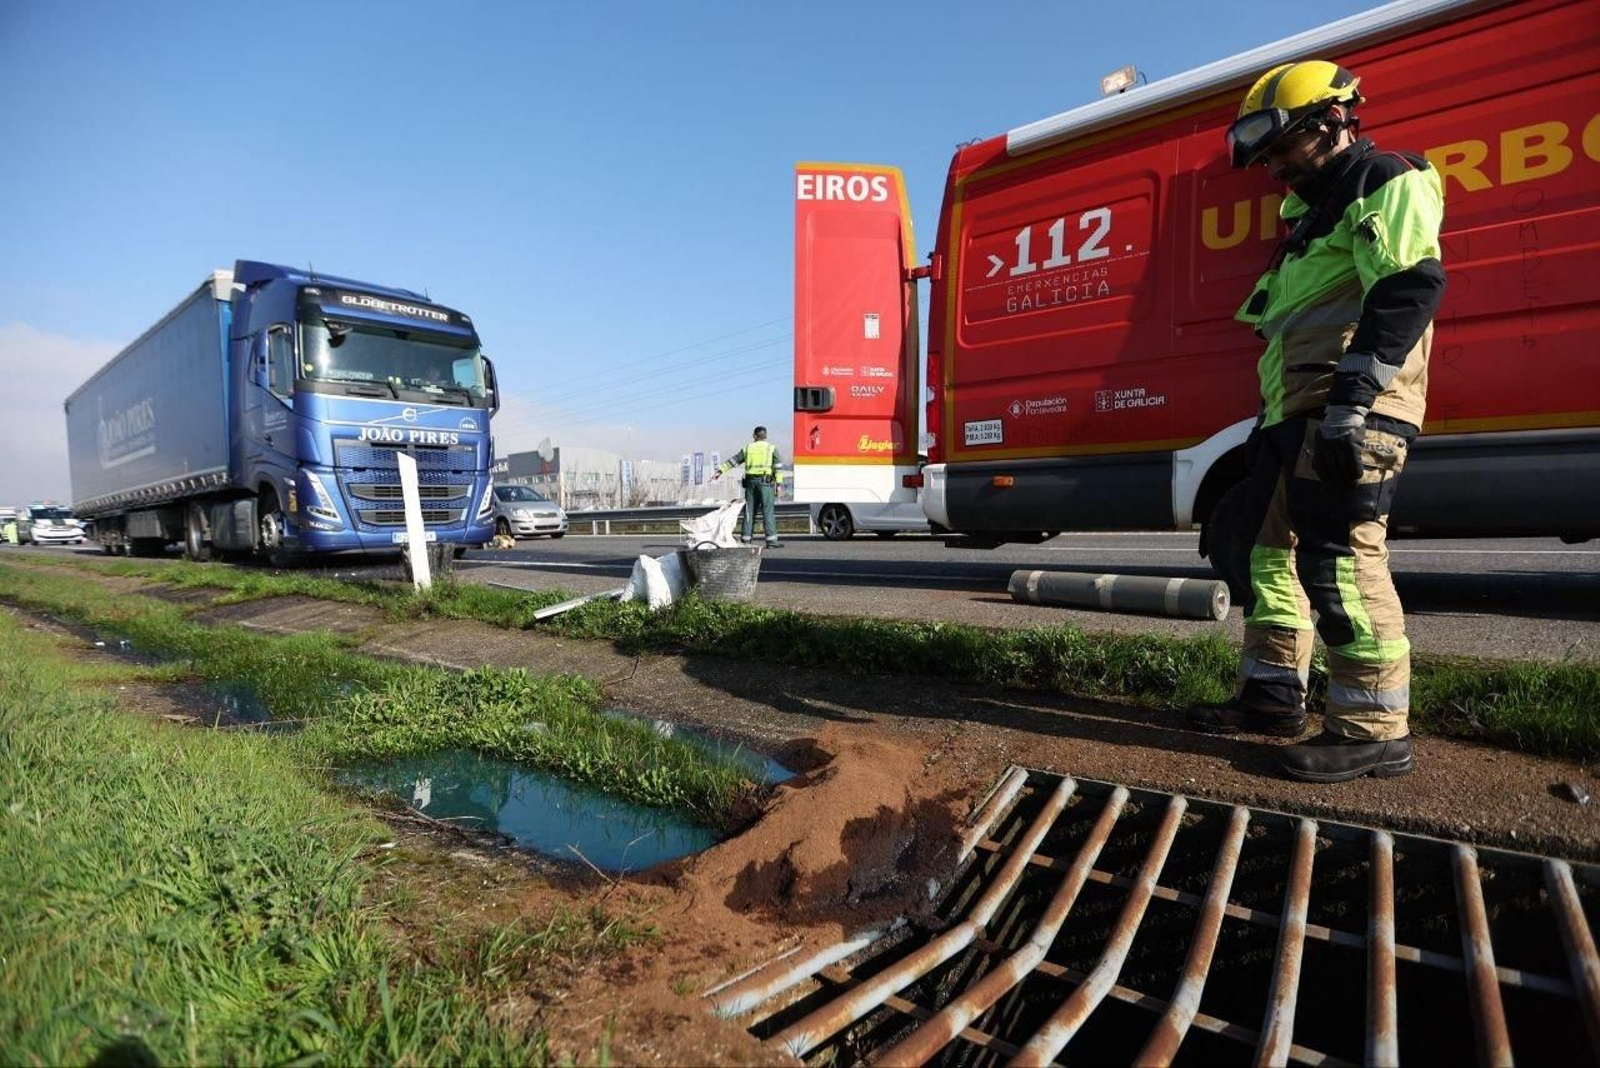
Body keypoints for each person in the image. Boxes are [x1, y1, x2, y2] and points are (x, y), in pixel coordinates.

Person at [1187, 60, 1446, 782]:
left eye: (1279, 148)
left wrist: (1353, 403)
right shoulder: (1310, 220)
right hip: (1291, 414)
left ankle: (1372, 727)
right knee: (1269, 557)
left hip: (1348, 410)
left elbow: (1407, 289)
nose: (1271, 167)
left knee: (1339, 558)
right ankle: (1273, 698)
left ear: (1332, 122)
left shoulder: (1382, 180)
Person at [713, 426, 783, 547]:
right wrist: (779, 484)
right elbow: (778, 467)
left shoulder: (748, 448)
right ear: (765, 436)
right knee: (768, 511)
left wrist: (720, 471)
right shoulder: (771, 448)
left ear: (755, 436)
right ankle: (771, 541)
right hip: (765, 484)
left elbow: (734, 461)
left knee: (749, 511)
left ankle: (746, 539)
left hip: (750, 484)